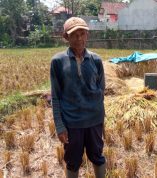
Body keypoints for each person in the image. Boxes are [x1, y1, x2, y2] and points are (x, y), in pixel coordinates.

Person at [50, 17, 106, 178]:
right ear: (66, 37)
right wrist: (60, 126)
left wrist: (100, 118)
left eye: (82, 33)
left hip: (94, 121)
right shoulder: (58, 62)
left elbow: (101, 90)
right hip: (72, 123)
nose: (79, 38)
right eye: (74, 35)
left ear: (87, 35)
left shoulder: (96, 60)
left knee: (97, 156)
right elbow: (56, 96)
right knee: (73, 161)